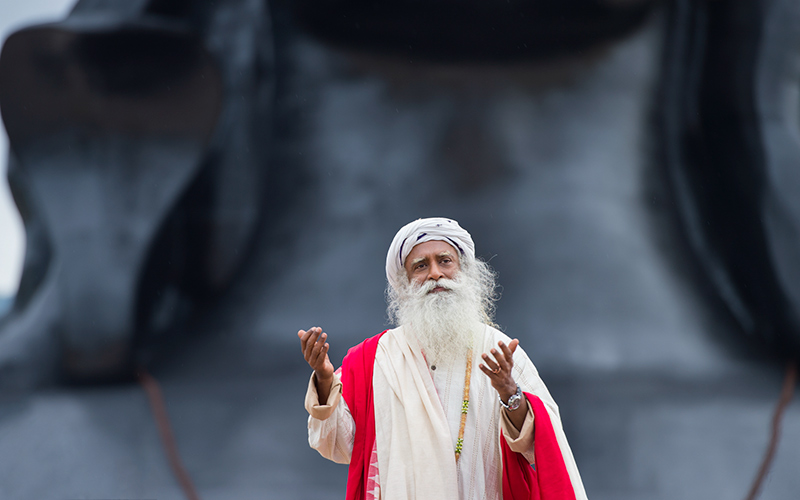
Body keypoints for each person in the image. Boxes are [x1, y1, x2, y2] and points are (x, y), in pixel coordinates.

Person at [298, 217, 587, 500]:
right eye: (421, 266)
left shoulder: (498, 349)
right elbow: (337, 445)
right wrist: (325, 379)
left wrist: (510, 395)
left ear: (463, 271)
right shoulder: (373, 358)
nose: (435, 273)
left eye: (444, 261)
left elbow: (542, 448)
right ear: (404, 282)